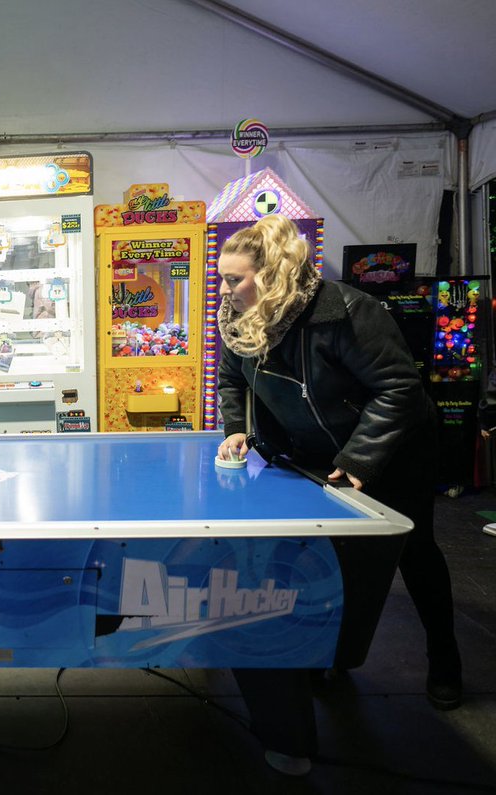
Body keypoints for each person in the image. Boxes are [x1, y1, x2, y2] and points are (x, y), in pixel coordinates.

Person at [214, 214, 463, 769]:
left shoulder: (347, 309)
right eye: (223, 278)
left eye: (234, 279)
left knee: (412, 551)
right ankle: (327, 654)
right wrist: (236, 424)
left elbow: (398, 388)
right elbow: (232, 376)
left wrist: (358, 461)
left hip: (392, 449)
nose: (225, 291)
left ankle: (445, 660)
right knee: (323, 559)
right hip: (312, 451)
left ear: (272, 274)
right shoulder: (238, 317)